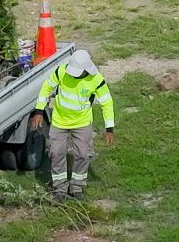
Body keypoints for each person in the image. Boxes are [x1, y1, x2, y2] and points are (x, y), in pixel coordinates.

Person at [31, 48, 116, 198]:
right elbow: (47, 87)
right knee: (56, 153)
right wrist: (39, 110)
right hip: (59, 121)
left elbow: (107, 103)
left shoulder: (96, 79)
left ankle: (77, 188)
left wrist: (109, 128)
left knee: (83, 154)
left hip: (82, 123)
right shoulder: (61, 71)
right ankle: (60, 190)